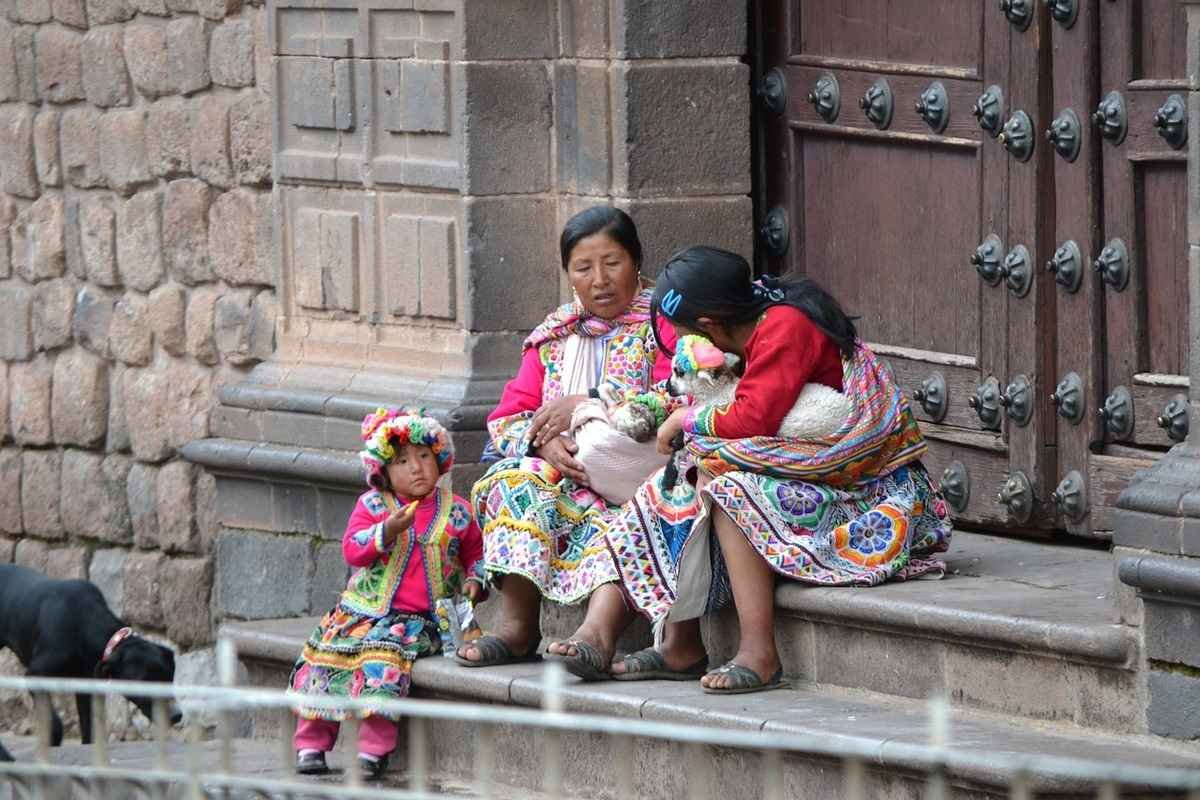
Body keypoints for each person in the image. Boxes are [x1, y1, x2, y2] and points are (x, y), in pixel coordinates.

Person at [595, 246, 953, 693]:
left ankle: (759, 652)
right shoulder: (741, 333)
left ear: (709, 327)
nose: (685, 347)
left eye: (686, 335)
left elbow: (753, 418)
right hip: (798, 467)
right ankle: (671, 642)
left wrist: (683, 420)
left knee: (730, 493)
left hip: (860, 485)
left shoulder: (785, 326)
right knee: (673, 484)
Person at [455, 206, 678, 678]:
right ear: (568, 275)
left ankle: (596, 636)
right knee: (515, 480)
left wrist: (589, 401)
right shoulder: (554, 336)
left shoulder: (663, 327)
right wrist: (541, 446)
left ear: (636, 262)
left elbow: (679, 392)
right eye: (584, 267)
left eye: (612, 262)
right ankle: (517, 628)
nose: (600, 279)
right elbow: (508, 416)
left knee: (638, 510)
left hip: (636, 473)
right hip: (567, 474)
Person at [287, 407, 485, 779]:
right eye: (403, 461)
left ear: (440, 459)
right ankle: (311, 742)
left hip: (421, 621)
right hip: (361, 612)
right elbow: (352, 548)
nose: (416, 468)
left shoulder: (458, 512)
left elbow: (477, 553)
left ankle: (372, 751)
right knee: (326, 656)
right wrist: (385, 531)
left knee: (383, 661)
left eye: (424, 456)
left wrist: (477, 580)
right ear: (382, 471)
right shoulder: (373, 506)